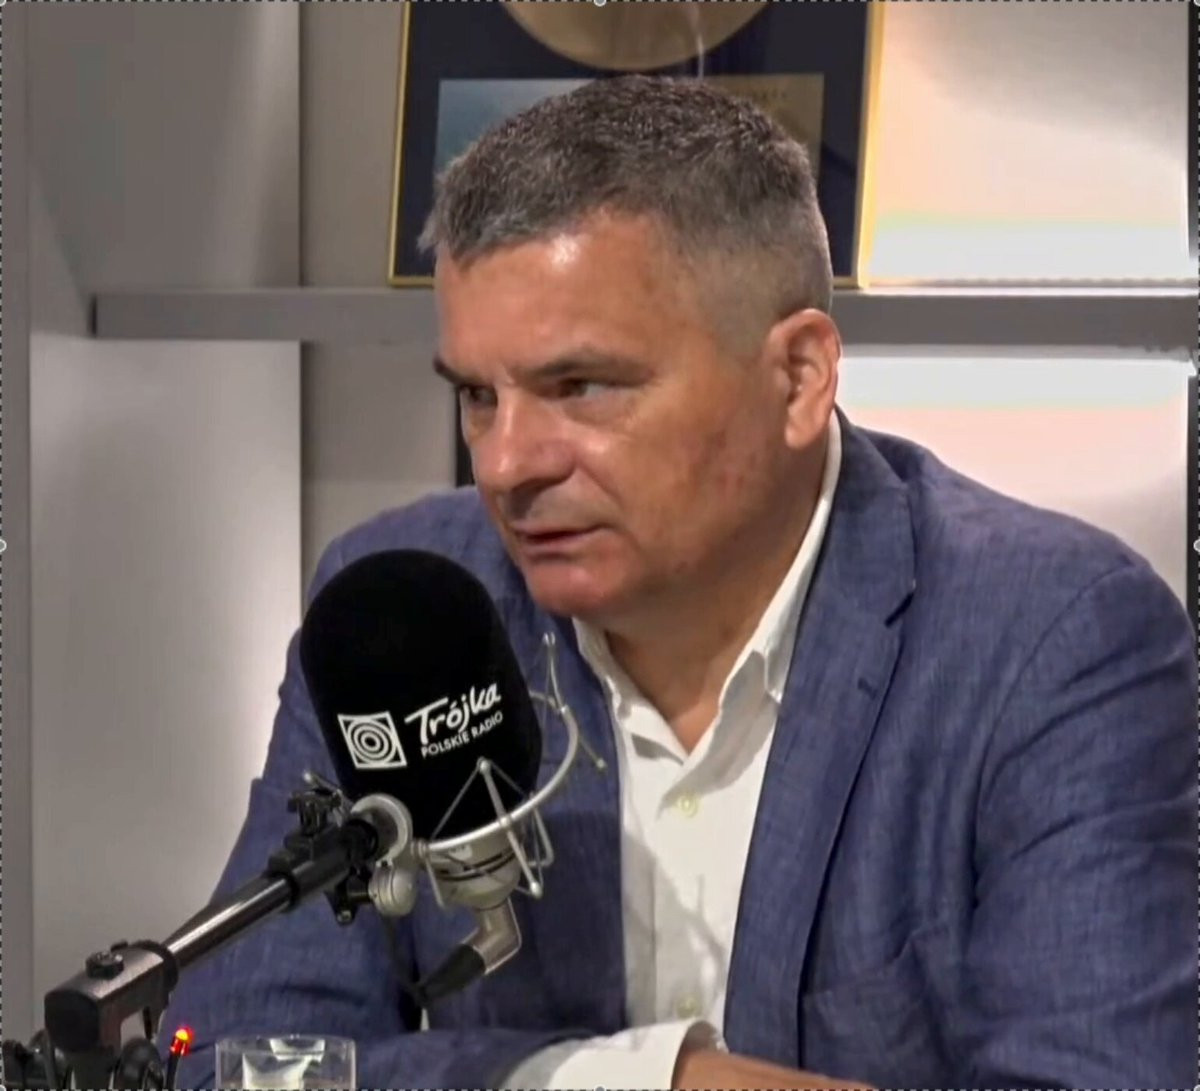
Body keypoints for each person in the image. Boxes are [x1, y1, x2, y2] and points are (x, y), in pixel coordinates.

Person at [160, 75, 1196, 1089]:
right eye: (478, 395)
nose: (506, 464)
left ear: (798, 376)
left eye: (580, 386)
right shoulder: (402, 617)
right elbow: (231, 1062)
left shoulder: (1051, 639)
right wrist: (643, 1079)